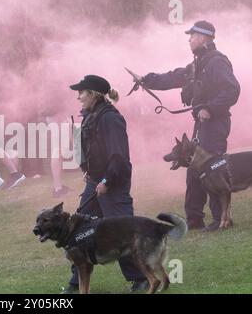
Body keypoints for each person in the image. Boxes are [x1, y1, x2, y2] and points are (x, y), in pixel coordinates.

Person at [139, 20, 240, 232]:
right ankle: (194, 221)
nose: (189, 39)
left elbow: (232, 90)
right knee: (194, 170)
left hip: (215, 123)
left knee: (212, 169)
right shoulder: (198, 64)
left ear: (203, 38)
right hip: (202, 124)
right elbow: (173, 77)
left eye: (192, 36)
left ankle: (218, 220)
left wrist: (210, 108)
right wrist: (146, 80)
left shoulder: (217, 62)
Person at [62, 75, 148, 293]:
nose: (78, 97)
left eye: (81, 92)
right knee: (79, 229)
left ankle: (141, 279)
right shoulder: (92, 115)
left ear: (93, 94)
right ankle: (76, 282)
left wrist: (106, 181)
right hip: (95, 181)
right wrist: (90, 173)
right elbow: (95, 151)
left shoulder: (110, 118)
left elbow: (119, 156)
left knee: (121, 232)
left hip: (113, 183)